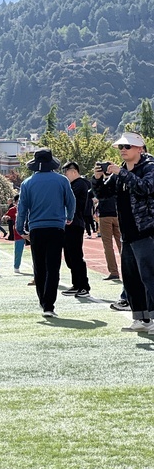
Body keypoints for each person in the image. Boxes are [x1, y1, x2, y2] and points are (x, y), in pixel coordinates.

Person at [92, 132, 154, 333]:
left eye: (127, 146)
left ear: (140, 148)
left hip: (147, 231)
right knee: (131, 278)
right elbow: (102, 194)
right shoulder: (120, 172)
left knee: (150, 277)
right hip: (128, 233)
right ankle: (141, 319)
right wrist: (98, 178)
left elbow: (146, 188)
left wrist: (121, 173)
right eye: (120, 147)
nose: (123, 150)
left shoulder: (149, 167)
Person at [16, 148, 76, 318]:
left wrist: (20, 228)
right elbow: (71, 202)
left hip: (36, 229)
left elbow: (22, 209)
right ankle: (49, 304)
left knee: (39, 267)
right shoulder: (62, 181)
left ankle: (43, 302)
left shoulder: (27, 183)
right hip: (56, 228)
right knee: (53, 267)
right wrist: (69, 217)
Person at [61, 161, 92, 298]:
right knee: (70, 256)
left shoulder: (80, 184)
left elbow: (67, 199)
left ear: (73, 171)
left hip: (75, 224)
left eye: (66, 172)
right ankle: (77, 284)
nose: (64, 176)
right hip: (69, 224)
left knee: (76, 256)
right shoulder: (73, 185)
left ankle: (84, 286)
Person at [96, 195, 121, 280]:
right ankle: (130, 270)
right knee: (122, 245)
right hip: (117, 215)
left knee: (108, 246)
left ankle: (114, 272)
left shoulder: (103, 186)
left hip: (105, 216)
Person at [4, 194, 26, 273]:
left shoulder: (28, 208)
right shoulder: (13, 209)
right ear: (16, 202)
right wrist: (6, 217)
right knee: (18, 250)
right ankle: (16, 266)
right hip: (18, 233)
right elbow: (5, 215)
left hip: (30, 232)